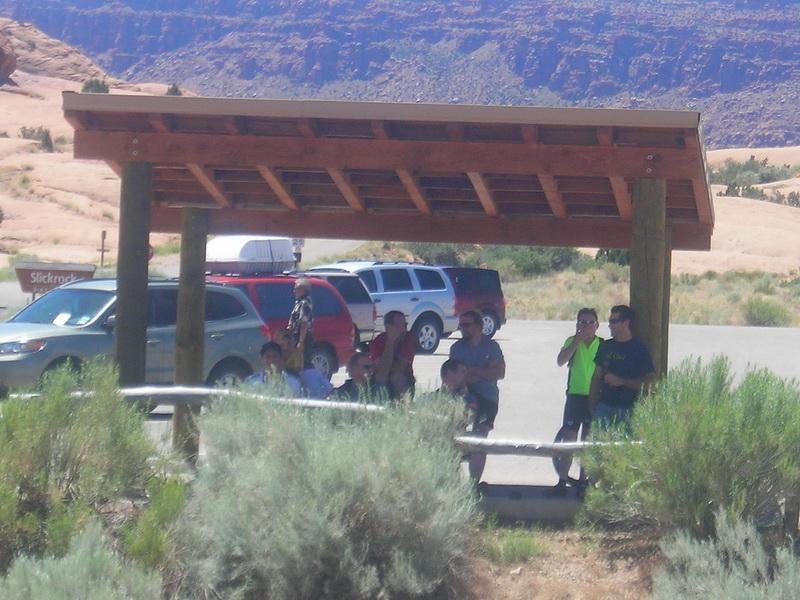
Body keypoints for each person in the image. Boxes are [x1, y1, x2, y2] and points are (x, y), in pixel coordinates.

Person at [549, 308, 601, 496]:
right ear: (577, 325)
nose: (586, 326)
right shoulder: (571, 341)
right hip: (574, 396)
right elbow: (560, 361)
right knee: (569, 441)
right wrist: (577, 341)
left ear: (597, 325)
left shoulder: (602, 345)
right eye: (582, 322)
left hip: (594, 397)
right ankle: (562, 481)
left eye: (590, 322)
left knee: (587, 441)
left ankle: (583, 481)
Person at [449, 309, 505, 482]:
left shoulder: (491, 347)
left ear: (479, 327)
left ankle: (474, 484)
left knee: (480, 438)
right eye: (461, 325)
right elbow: (455, 376)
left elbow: (499, 373)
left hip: (487, 398)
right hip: (463, 396)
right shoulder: (456, 348)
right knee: (453, 435)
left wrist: (472, 371)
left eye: (467, 325)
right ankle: (452, 480)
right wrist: (484, 371)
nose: (463, 329)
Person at [589, 305, 656, 425]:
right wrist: (592, 405)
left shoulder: (639, 349)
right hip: (604, 406)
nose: (610, 325)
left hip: (629, 410)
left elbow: (651, 383)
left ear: (626, 323)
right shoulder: (605, 346)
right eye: (609, 321)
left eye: (614, 321)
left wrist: (623, 381)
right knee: (598, 443)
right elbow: (596, 377)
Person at [369, 310, 416, 399]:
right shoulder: (377, 342)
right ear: (388, 327)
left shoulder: (409, 339)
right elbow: (382, 370)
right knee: (380, 377)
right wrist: (390, 342)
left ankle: (404, 406)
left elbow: (400, 368)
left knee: (396, 377)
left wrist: (385, 365)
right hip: (382, 380)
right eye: (400, 326)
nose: (404, 329)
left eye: (405, 325)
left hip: (404, 379)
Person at [287, 278, 313, 370]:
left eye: (296, 289)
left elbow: (304, 323)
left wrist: (301, 342)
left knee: (303, 363)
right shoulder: (298, 302)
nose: (294, 291)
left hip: (303, 337)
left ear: (303, 290)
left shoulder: (305, 303)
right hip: (296, 336)